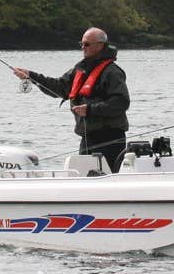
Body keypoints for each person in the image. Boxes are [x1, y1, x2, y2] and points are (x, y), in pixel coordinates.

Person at [13, 27, 130, 172]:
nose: (83, 48)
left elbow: (121, 102)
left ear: (100, 45)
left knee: (107, 177)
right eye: (81, 44)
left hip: (110, 138)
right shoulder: (80, 69)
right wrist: (32, 76)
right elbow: (59, 87)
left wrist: (89, 110)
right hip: (87, 137)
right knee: (86, 179)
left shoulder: (113, 72)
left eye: (87, 44)